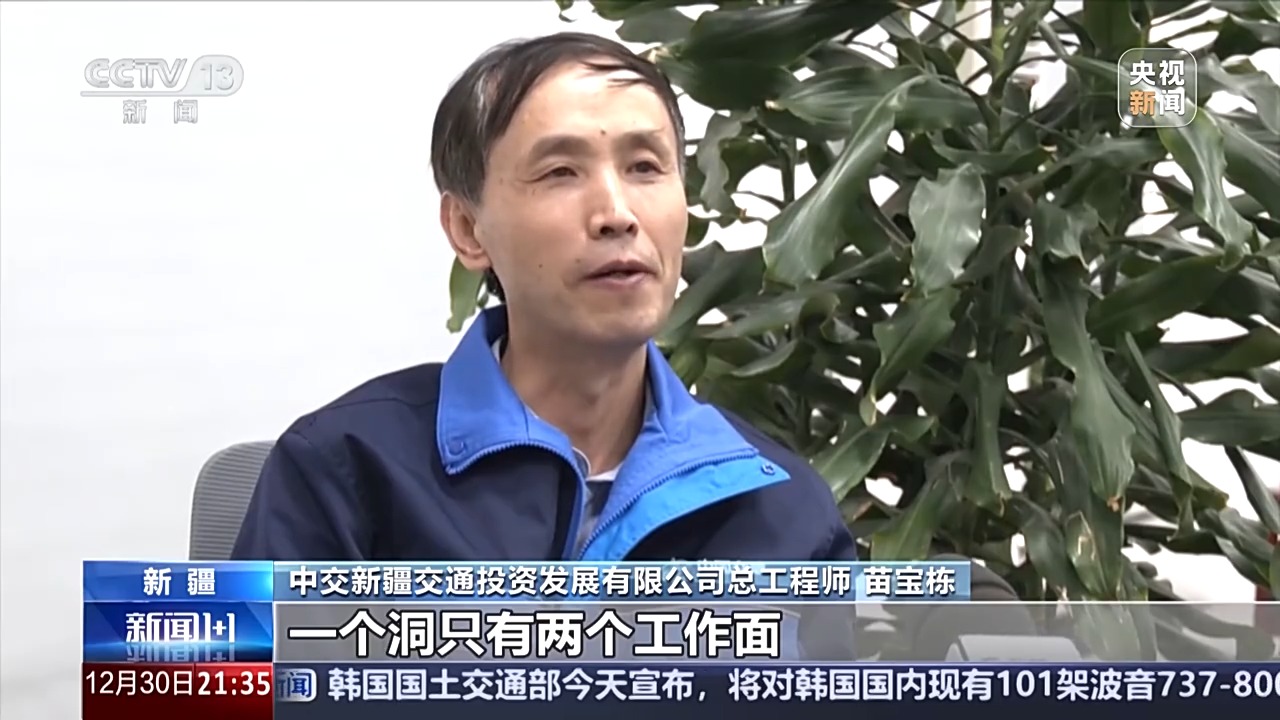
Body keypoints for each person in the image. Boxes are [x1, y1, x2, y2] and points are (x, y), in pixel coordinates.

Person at [231, 32, 858, 564]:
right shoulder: (346, 473)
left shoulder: (782, 510)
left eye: (645, 167)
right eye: (560, 172)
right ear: (468, 230)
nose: (617, 214)